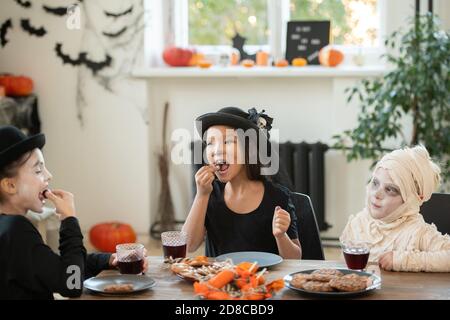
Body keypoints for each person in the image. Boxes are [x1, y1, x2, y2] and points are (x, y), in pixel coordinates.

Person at [0, 126, 147, 299]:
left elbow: (57, 268)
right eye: (38, 170)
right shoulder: (16, 230)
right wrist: (69, 219)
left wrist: (107, 260)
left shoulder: (8, 229)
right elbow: (72, 282)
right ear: (10, 185)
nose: (49, 175)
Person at [182, 107, 301, 259]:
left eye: (227, 141)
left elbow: (296, 259)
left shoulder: (278, 197)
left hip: (264, 281)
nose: (217, 150)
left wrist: (281, 235)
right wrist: (201, 195)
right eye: (210, 143)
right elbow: (189, 245)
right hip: (219, 281)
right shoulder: (209, 193)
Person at [340, 145, 450, 272]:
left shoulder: (417, 233)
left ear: (411, 200)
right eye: (375, 183)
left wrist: (403, 260)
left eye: (390, 190)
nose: (377, 194)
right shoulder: (359, 223)